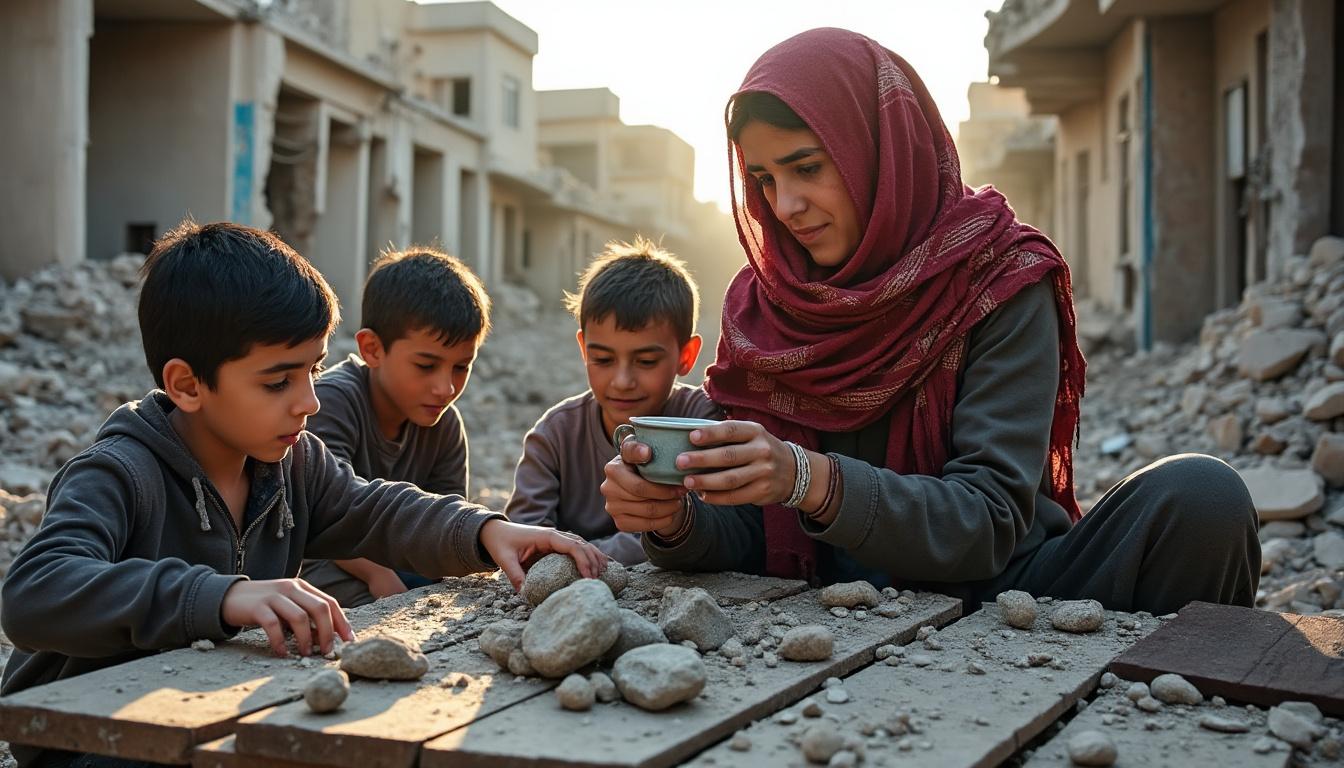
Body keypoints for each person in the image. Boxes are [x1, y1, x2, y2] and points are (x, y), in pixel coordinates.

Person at [602, 28, 1260, 615]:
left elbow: (990, 519)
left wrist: (808, 477)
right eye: (764, 179)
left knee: (1202, 498)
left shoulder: (995, 278)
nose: (788, 205)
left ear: (877, 149)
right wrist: (673, 520)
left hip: (1007, 591)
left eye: (807, 167)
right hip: (828, 600)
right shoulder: (765, 303)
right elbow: (753, 532)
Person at [0, 221, 603, 768]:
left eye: (312, 372)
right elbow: (33, 594)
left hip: (197, 706)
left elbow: (376, 508)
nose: (308, 401)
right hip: (86, 737)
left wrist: (485, 531)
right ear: (186, 384)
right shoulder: (120, 472)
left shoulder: (290, 461)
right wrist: (224, 595)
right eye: (278, 380)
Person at [506, 238, 720, 565]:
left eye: (646, 361)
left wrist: (579, 557)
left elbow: (714, 524)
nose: (622, 382)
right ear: (583, 349)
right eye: (603, 360)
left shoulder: (703, 423)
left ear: (686, 356)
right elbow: (524, 538)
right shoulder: (554, 436)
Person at [301, 247, 490, 607]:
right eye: (425, 365)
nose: (446, 388)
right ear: (373, 349)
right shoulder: (331, 402)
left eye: (461, 367)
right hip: (327, 557)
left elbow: (444, 530)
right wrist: (379, 577)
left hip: (399, 561)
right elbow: (318, 515)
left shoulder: (444, 423)